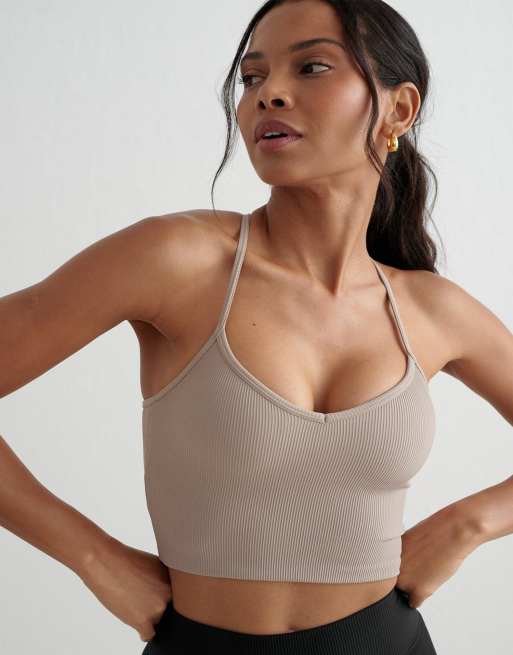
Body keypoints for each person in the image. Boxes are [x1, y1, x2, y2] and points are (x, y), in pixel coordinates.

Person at [2, 1, 512, 653]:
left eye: (312, 67)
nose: (268, 93)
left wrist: (469, 524)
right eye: (251, 77)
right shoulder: (177, 261)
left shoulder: (430, 311)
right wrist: (93, 557)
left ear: (398, 109)